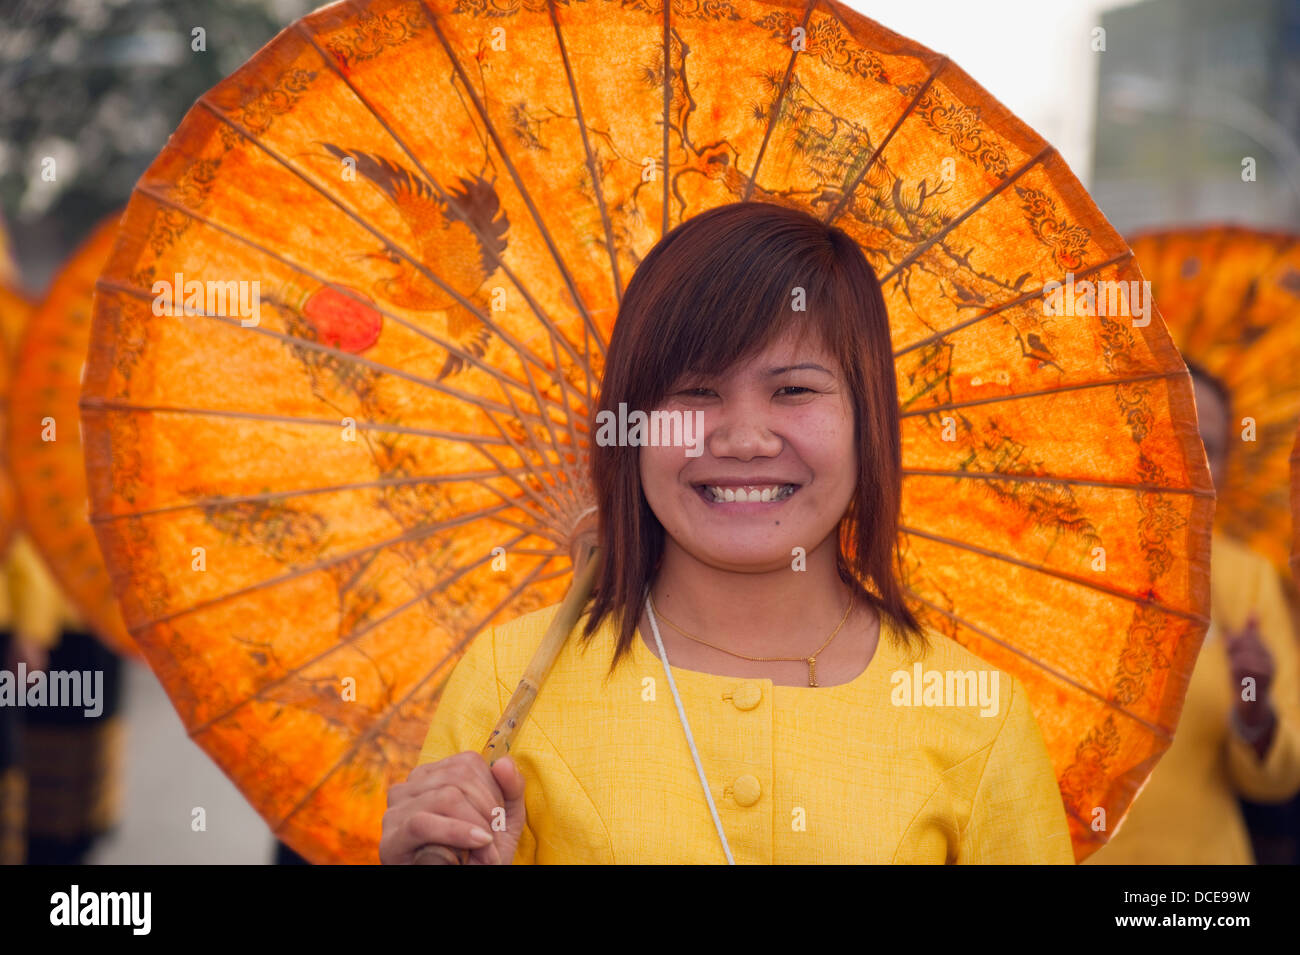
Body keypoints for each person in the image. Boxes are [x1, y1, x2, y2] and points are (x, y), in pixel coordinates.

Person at [381, 201, 1074, 865]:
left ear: (868, 419)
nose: (744, 439)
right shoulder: (505, 682)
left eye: (795, 390)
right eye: (695, 392)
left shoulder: (977, 714)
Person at [1085, 360, 1300, 864]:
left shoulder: (1246, 581)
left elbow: (1280, 780)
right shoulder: (1051, 561)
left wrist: (1255, 710)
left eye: (1215, 448)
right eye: (1176, 429)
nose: (1194, 457)